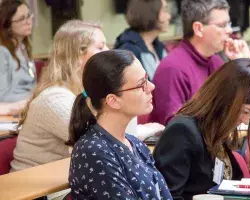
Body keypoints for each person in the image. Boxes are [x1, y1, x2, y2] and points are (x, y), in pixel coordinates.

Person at [153, 58, 250, 200]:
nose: (246, 121)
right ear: (225, 100)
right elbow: (168, 196)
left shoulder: (216, 129)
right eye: (245, 112)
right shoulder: (182, 131)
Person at [68, 50, 172, 200]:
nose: (151, 87)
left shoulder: (135, 143)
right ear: (113, 101)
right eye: (141, 84)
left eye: (147, 79)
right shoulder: (93, 151)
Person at [10, 20, 108, 172]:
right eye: (101, 47)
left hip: (60, 186)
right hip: (35, 191)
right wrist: (146, 130)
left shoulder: (81, 91)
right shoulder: (54, 99)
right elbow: (101, 141)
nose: (108, 52)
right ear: (77, 55)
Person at [149, 0, 250, 125]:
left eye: (229, 24)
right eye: (222, 25)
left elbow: (243, 107)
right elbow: (176, 127)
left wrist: (243, 65)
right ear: (198, 29)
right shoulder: (172, 68)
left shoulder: (215, 61)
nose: (230, 30)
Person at [114, 0, 171, 81]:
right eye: (164, 10)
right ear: (150, 13)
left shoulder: (159, 46)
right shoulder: (128, 51)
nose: (169, 16)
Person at [0, 0, 36, 115]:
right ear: (8, 25)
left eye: (29, 16)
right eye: (21, 19)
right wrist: (30, 101)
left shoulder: (24, 47)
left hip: (28, 107)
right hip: (12, 111)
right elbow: (2, 96)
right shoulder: (2, 52)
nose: (29, 22)